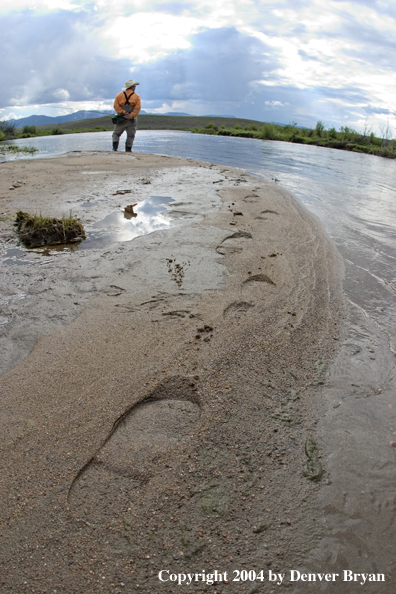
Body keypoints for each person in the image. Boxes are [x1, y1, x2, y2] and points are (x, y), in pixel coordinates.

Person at [112, 79, 141, 152]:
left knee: (116, 133)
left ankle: (114, 149)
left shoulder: (119, 95)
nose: (135, 87)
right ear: (132, 87)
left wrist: (123, 112)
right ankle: (128, 150)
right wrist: (131, 115)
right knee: (130, 135)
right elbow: (137, 108)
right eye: (134, 86)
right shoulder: (137, 96)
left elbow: (115, 106)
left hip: (121, 118)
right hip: (132, 119)